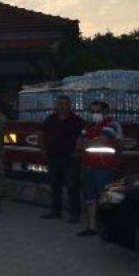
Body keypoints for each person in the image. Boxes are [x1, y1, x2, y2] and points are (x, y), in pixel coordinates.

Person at [77, 101, 123, 236]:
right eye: (92, 112)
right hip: (88, 167)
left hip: (104, 169)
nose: (94, 115)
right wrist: (89, 141)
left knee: (106, 198)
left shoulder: (112, 124)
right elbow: (79, 144)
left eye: (97, 112)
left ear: (105, 112)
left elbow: (101, 141)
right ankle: (92, 227)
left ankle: (108, 227)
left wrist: (88, 141)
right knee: (90, 198)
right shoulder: (88, 126)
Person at [39, 95, 85, 223]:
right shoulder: (51, 119)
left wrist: (78, 152)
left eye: (64, 104)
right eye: (59, 104)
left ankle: (75, 214)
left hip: (70, 159)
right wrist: (43, 150)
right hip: (53, 157)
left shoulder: (77, 121)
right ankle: (55, 211)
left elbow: (83, 137)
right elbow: (41, 133)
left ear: (69, 105)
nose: (61, 106)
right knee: (55, 186)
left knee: (72, 186)